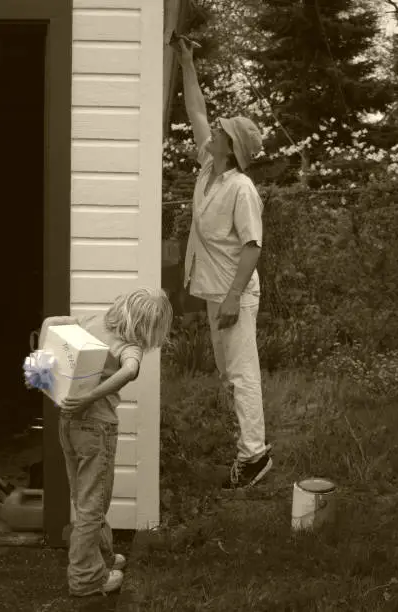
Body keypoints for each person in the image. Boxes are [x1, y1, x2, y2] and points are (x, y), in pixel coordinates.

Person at [176, 37, 273, 489]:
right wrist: (187, 61)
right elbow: (196, 112)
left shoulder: (241, 188)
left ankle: (254, 457)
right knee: (229, 374)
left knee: (241, 371)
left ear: (230, 148)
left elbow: (252, 246)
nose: (210, 131)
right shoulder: (206, 169)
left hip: (234, 295)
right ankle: (246, 449)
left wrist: (234, 296)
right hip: (217, 292)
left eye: (219, 132)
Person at [38, 288, 172, 597]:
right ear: (149, 326)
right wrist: (91, 396)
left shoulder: (93, 320)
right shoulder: (130, 345)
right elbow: (130, 370)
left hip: (69, 425)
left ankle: (105, 558)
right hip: (96, 430)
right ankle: (87, 578)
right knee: (93, 504)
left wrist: (43, 362)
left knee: (86, 498)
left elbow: (51, 321)